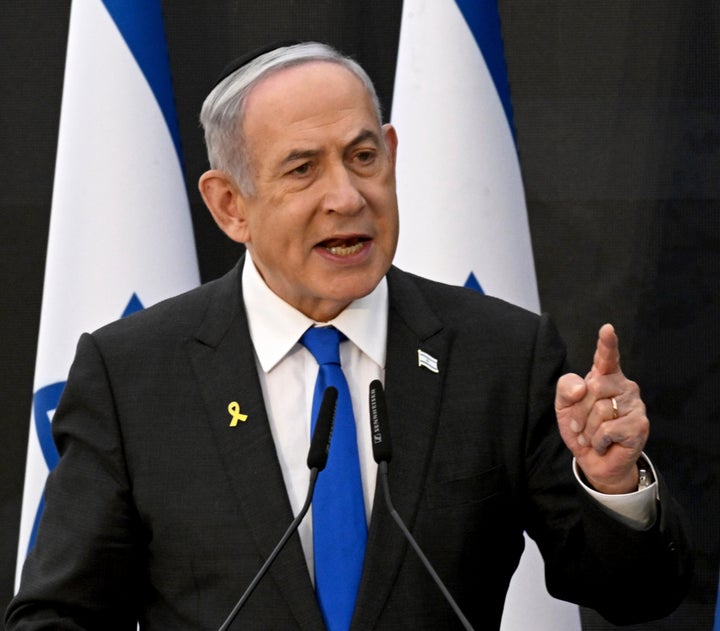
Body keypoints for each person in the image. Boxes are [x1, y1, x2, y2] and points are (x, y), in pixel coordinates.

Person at [6, 41, 691, 630]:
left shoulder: (501, 356)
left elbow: (636, 595)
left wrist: (612, 482)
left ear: (390, 155)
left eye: (363, 156)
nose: (347, 196)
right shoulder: (134, 376)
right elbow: (57, 614)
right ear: (229, 204)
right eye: (303, 169)